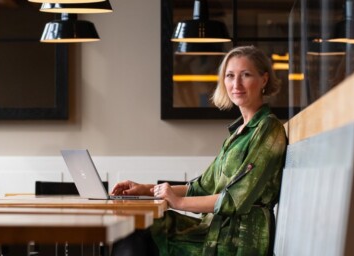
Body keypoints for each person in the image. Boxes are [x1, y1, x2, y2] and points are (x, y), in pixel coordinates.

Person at [112, 46, 288, 256]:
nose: (236, 84)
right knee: (135, 224)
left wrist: (178, 202)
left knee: (139, 232)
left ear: (264, 80)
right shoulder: (236, 134)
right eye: (230, 76)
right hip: (214, 230)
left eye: (246, 75)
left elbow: (235, 199)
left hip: (240, 241)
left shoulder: (268, 128)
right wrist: (146, 190)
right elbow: (202, 187)